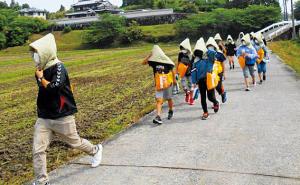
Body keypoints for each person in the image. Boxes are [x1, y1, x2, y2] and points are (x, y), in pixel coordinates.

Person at [30, 34, 103, 185]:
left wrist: (41, 78)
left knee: (74, 142)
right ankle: (42, 181)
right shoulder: (40, 70)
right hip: (44, 116)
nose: (35, 57)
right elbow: (43, 88)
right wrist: (40, 78)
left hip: (62, 114)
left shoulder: (59, 67)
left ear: (46, 52)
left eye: (37, 53)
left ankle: (95, 150)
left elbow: (53, 87)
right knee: (38, 149)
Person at [142, 45, 176, 125]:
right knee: (159, 100)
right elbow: (143, 63)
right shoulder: (154, 62)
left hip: (168, 83)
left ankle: (170, 110)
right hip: (159, 85)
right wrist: (150, 55)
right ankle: (158, 116)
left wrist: (174, 80)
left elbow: (172, 71)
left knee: (168, 98)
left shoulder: (167, 62)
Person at [192, 38, 219, 120]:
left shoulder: (209, 58)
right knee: (203, 97)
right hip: (201, 81)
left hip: (209, 79)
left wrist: (207, 49)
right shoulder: (196, 61)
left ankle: (215, 102)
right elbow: (193, 72)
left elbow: (213, 52)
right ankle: (205, 112)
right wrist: (194, 82)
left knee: (210, 97)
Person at [177, 38, 194, 105]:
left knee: (191, 85)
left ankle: (191, 99)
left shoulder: (191, 55)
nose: (182, 50)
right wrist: (177, 72)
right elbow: (178, 62)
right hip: (182, 72)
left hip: (190, 72)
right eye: (181, 48)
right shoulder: (180, 54)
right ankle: (187, 93)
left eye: (183, 48)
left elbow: (194, 64)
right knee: (183, 85)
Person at [212, 37, 228, 103]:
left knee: (218, 86)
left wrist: (224, 73)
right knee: (211, 87)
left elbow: (223, 64)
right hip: (211, 72)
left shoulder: (219, 53)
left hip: (219, 72)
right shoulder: (207, 53)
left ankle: (222, 93)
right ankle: (214, 102)